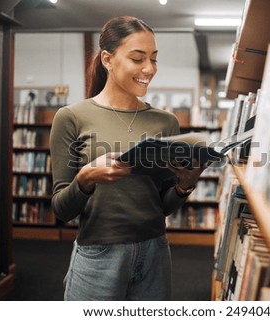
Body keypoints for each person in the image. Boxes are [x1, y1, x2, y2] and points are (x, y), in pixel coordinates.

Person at [49, 16, 206, 301]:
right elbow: (61, 209)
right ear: (108, 60)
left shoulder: (165, 122)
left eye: (154, 59)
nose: (149, 69)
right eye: (138, 59)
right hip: (99, 254)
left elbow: (163, 207)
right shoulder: (71, 117)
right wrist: (85, 179)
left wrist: (184, 187)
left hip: (155, 252)